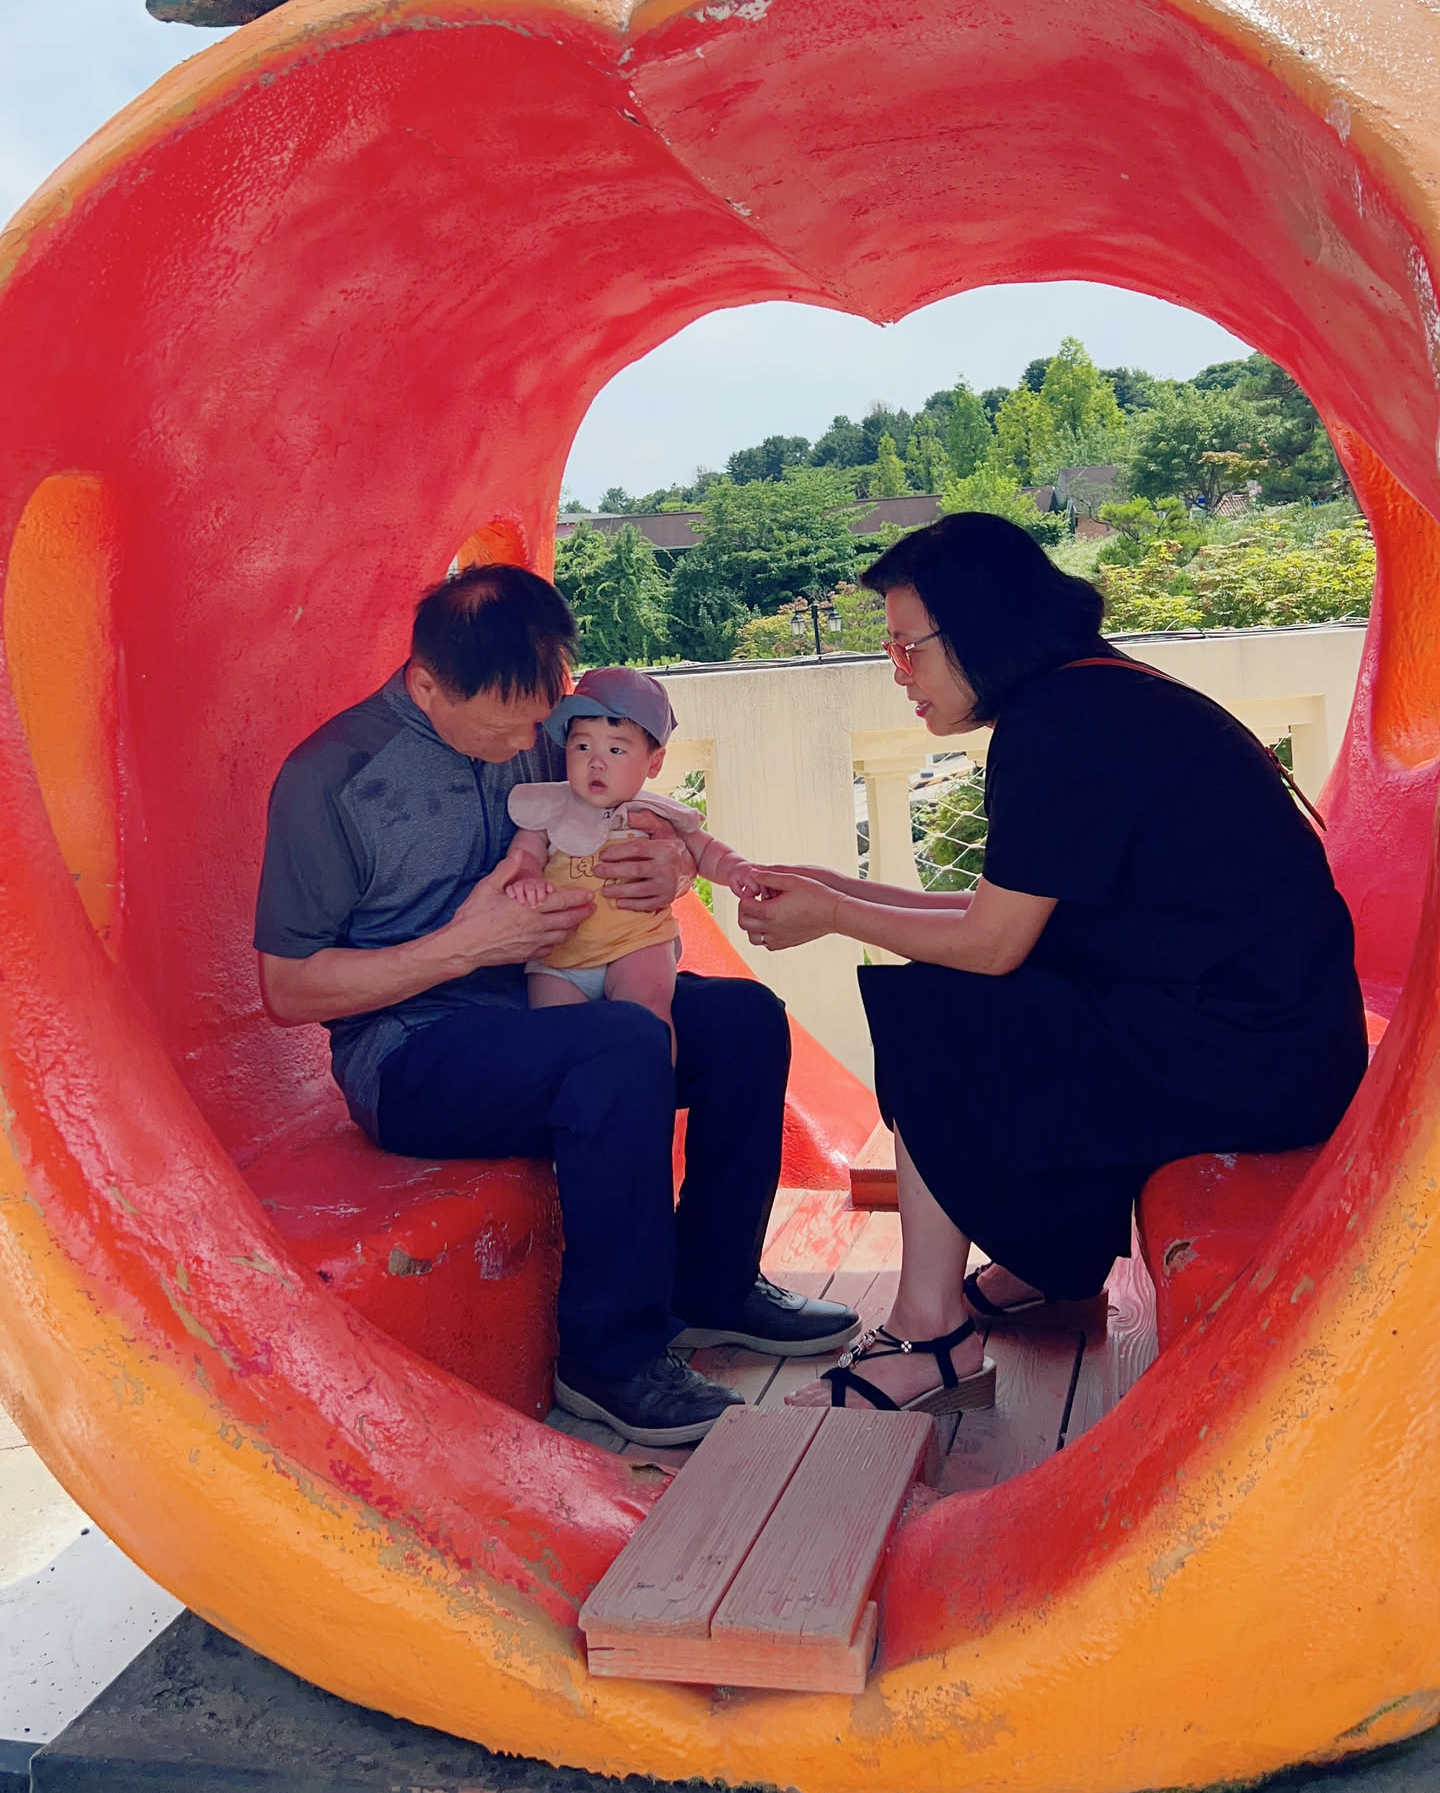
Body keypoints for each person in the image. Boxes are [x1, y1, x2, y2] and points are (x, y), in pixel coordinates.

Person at [738, 513, 1367, 1414]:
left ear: (978, 629)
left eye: (908, 647)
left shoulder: (1061, 726)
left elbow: (990, 947)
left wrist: (834, 914)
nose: (898, 671)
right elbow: (1012, 921)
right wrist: (836, 889)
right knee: (987, 997)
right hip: (1269, 1040)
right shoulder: (1089, 699)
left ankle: (930, 1339)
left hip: (1259, 1060)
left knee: (937, 1012)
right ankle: (1043, 1266)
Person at [253, 565, 858, 1446]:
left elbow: (627, 815)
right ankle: (608, 1360)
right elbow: (287, 988)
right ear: (425, 686)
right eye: (504, 729)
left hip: (558, 998)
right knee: (619, 1045)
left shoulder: (545, 733)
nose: (527, 746)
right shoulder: (330, 778)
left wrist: (671, 868)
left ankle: (713, 1286)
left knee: (744, 1024)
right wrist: (467, 946)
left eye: (539, 722)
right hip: (413, 1051)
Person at [504, 665, 759, 1053]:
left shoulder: (653, 811)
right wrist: (525, 876)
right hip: (559, 959)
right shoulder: (551, 807)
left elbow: (704, 849)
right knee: (556, 1040)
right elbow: (525, 851)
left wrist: (737, 869)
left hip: (636, 944)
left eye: (616, 749)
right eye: (582, 746)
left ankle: (655, 1081)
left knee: (647, 1017)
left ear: (654, 763)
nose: (596, 762)